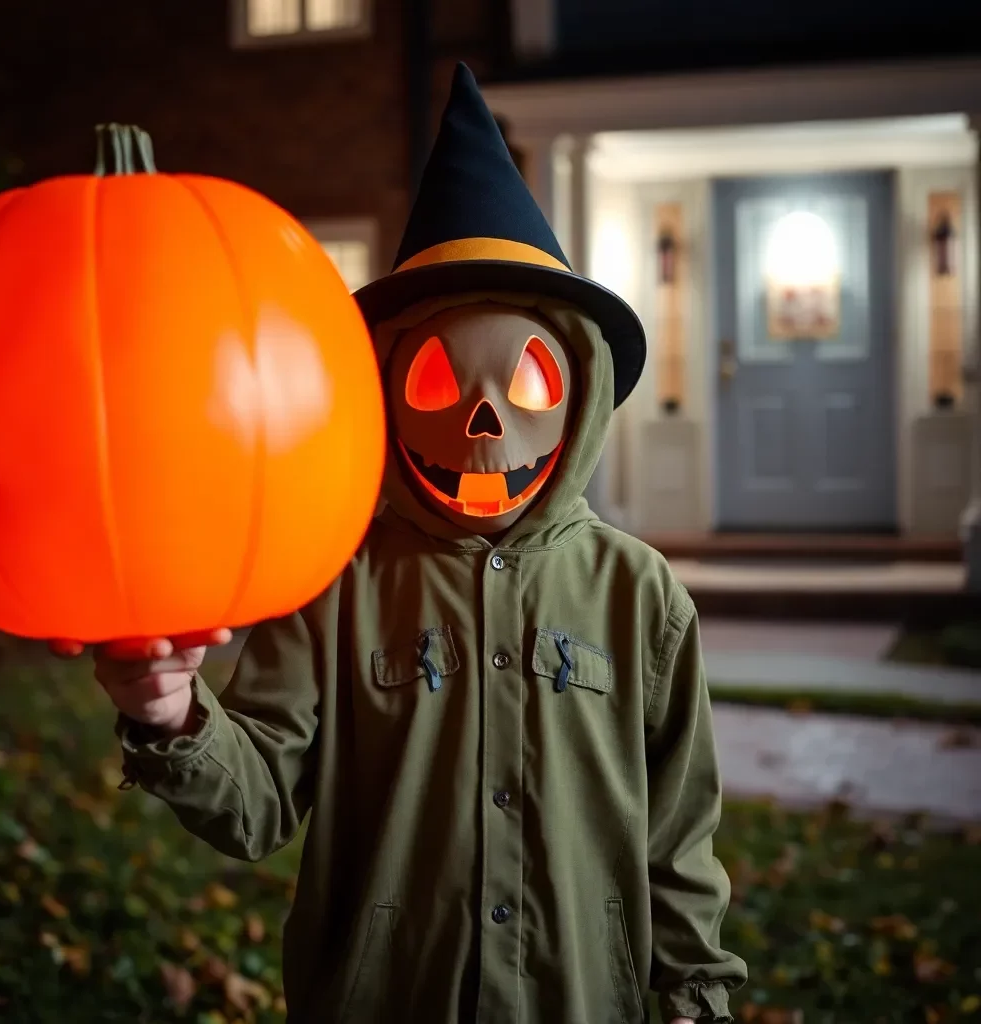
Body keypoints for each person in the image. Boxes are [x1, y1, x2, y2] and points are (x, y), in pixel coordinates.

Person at [56, 63, 747, 1023]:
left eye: (528, 383)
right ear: (383, 392)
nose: (482, 425)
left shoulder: (640, 596)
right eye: (436, 382)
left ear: (581, 392)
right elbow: (257, 806)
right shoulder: (334, 583)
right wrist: (172, 715)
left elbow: (677, 835)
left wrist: (697, 995)